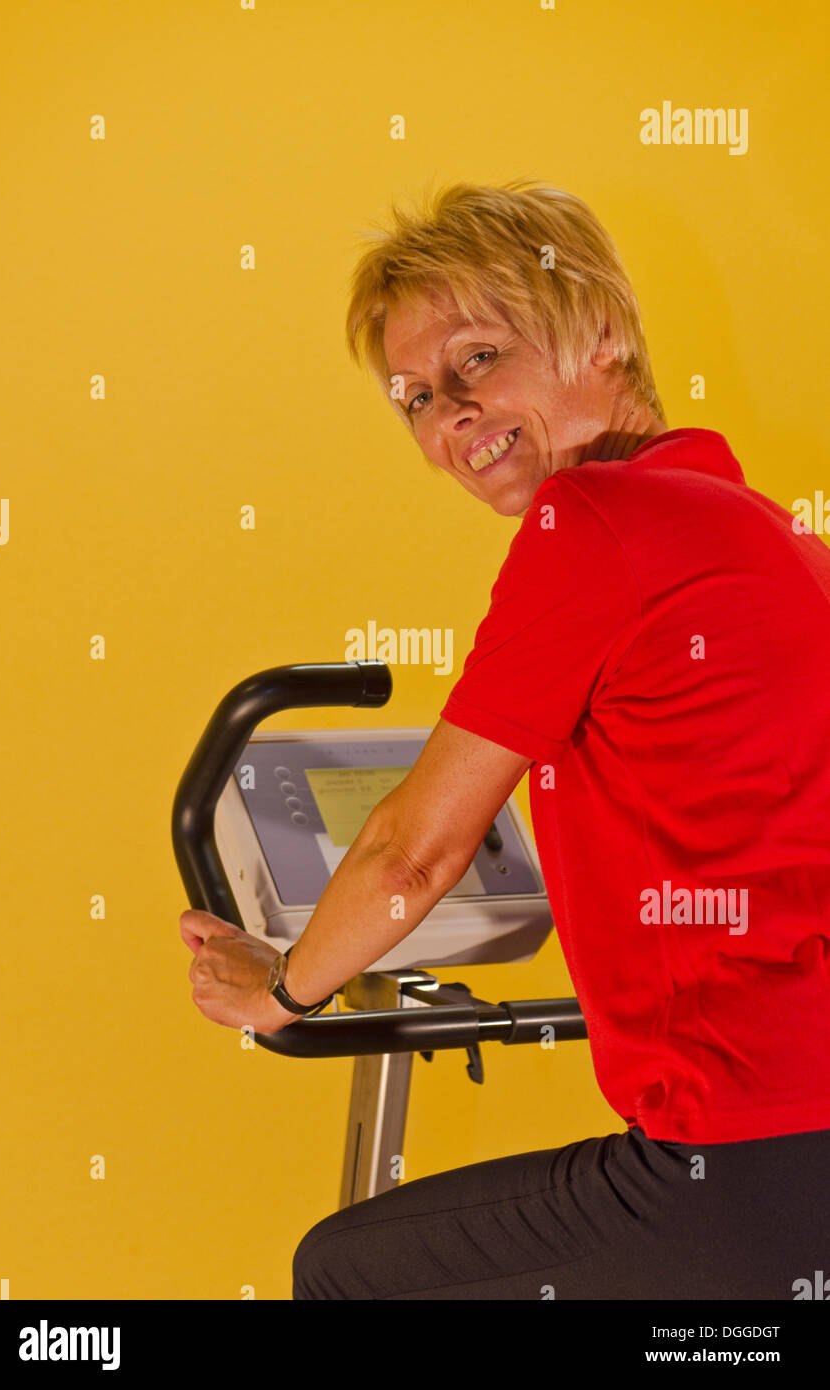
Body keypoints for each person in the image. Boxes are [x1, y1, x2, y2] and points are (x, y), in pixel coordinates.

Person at [181, 180, 830, 1300]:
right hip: (795, 1148)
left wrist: (283, 988)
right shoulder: (767, 534)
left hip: (746, 1158)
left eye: (477, 359)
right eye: (417, 395)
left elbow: (414, 854)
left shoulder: (592, 525)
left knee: (348, 1273)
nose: (449, 414)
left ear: (605, 332)